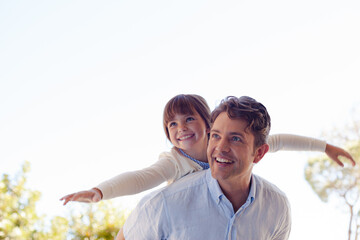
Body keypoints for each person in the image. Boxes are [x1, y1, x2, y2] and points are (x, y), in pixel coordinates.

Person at [60, 94, 355, 205]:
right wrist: (100, 191)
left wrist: (324, 147)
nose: (181, 128)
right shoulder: (174, 162)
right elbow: (141, 178)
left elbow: (279, 141)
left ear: (208, 122)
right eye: (172, 124)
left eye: (189, 118)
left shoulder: (231, 145)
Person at [121, 96, 292, 239]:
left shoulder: (277, 206)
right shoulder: (162, 204)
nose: (221, 148)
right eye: (216, 136)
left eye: (235, 139)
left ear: (259, 153)